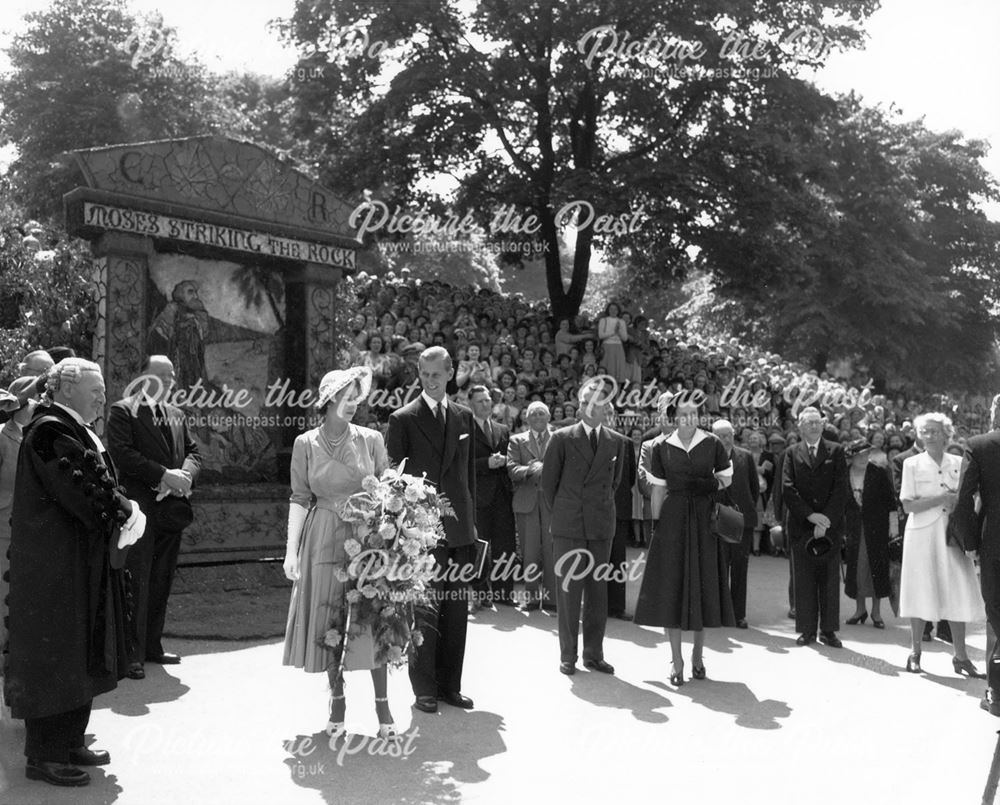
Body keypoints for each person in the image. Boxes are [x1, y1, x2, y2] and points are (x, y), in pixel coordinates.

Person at [5, 359, 144, 787]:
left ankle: (68, 740)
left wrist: (124, 509)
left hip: (78, 562)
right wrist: (126, 510)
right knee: (54, 654)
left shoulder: (74, 428)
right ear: (66, 390)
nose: (103, 396)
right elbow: (81, 489)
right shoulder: (48, 431)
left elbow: (97, 482)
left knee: (78, 649)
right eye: (95, 389)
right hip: (53, 567)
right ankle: (43, 755)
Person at [282, 366, 400, 743]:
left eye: (357, 399)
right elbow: (300, 498)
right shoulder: (305, 444)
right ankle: (337, 704)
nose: (353, 405)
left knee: (374, 616)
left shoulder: (371, 439)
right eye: (346, 398)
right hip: (322, 534)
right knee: (330, 620)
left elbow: (387, 490)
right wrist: (291, 551)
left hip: (366, 536)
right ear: (330, 397)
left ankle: (383, 707)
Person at [386, 346, 477, 714]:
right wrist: (399, 534)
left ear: (450, 372)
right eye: (424, 374)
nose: (430, 380)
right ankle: (423, 687)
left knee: (456, 612)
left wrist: (471, 527)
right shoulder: (403, 419)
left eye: (436, 374)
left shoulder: (464, 417)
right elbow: (393, 481)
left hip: (459, 532)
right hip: (420, 534)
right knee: (424, 611)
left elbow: (468, 477)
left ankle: (449, 686)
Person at [107, 356, 202, 679]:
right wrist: (163, 475)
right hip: (139, 510)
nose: (171, 380)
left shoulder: (176, 415)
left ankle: (152, 646)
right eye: (163, 374)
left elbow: (194, 452)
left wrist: (185, 475)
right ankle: (131, 654)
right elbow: (123, 454)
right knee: (137, 578)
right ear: (144, 376)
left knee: (161, 579)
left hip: (171, 512)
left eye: (173, 375)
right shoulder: (123, 411)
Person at [634, 400, 734, 685]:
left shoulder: (712, 443)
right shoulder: (661, 446)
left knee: (702, 586)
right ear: (673, 418)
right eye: (683, 415)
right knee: (672, 589)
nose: (689, 419)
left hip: (704, 518)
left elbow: (726, 479)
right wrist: (655, 527)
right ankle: (676, 661)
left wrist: (708, 485)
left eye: (693, 414)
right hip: (673, 520)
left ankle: (698, 657)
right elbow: (657, 491)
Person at [542, 382, 626, 676]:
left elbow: (614, 484)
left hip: (600, 526)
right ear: (579, 406)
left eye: (599, 403)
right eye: (587, 402)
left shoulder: (617, 442)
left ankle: (593, 654)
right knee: (568, 593)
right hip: (570, 525)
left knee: (597, 594)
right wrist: (568, 513)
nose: (593, 408)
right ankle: (568, 655)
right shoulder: (562, 438)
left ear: (607, 409)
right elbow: (548, 486)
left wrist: (594, 510)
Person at [898, 413, 984, 676]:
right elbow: (907, 504)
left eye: (935, 431)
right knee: (919, 588)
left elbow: (974, 496)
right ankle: (915, 652)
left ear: (947, 434)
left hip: (952, 535)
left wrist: (960, 506)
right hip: (922, 533)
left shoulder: (960, 462)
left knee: (956, 588)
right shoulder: (911, 464)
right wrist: (939, 498)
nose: (930, 435)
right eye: (925, 431)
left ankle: (961, 656)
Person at [781, 407, 849, 648]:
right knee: (804, 579)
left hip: (829, 526)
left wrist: (825, 520)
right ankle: (807, 630)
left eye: (817, 422)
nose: (813, 426)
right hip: (802, 524)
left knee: (829, 580)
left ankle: (828, 631)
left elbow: (841, 489)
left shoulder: (836, 451)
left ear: (823, 425)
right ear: (800, 426)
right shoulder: (791, 452)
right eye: (808, 423)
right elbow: (788, 488)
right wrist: (811, 516)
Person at [953, 393, 1000, 713]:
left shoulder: (980, 445)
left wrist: (970, 543)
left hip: (993, 542)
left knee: (996, 615)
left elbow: (962, 503)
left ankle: (996, 693)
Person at [891, 432, 951, 643]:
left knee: (945, 575)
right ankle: (923, 628)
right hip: (918, 524)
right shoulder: (903, 460)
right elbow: (902, 494)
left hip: (945, 526)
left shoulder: (950, 458)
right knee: (923, 578)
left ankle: (945, 626)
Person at [0, 377, 41, 662]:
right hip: (5, 526)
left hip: (34, 527)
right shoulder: (2, 436)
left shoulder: (42, 435)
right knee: (4, 591)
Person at [468, 385, 517, 609]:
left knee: (505, 545)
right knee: (481, 546)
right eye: (480, 401)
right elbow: (461, 463)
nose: (485, 404)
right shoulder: (464, 429)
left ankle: (504, 593)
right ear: (470, 404)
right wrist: (485, 463)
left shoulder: (502, 429)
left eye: (488, 400)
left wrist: (504, 461)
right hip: (478, 496)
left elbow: (511, 458)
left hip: (502, 495)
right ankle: (481, 592)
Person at [507, 401, 556, 612]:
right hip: (526, 502)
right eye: (533, 414)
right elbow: (511, 468)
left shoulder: (559, 438)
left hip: (552, 503)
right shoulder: (516, 440)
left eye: (541, 414)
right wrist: (530, 469)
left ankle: (553, 599)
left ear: (549, 417)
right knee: (530, 552)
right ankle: (532, 597)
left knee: (552, 551)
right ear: (526, 419)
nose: (537, 417)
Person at [711, 419, 759, 629]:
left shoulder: (745, 456)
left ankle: (738, 614)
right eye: (721, 435)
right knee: (719, 567)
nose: (726, 439)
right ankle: (719, 611)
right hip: (718, 518)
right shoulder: (708, 457)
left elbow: (754, 488)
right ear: (713, 437)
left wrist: (744, 509)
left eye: (729, 434)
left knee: (740, 568)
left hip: (741, 520)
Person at [843, 438, 895, 629]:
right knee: (856, 570)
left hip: (877, 528)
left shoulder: (878, 472)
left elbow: (891, 501)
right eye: (859, 455)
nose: (863, 457)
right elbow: (841, 503)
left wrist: (893, 527)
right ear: (852, 457)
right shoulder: (844, 473)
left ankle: (876, 612)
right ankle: (860, 610)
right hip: (854, 529)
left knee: (876, 569)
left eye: (866, 454)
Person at [608, 413, 637, 620]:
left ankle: (617, 607)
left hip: (618, 508)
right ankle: (595, 605)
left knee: (617, 559)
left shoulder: (626, 443)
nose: (606, 417)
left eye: (610, 413)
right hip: (593, 509)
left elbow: (631, 477)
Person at [596, 303, 629, 383]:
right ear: (608, 310)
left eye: (615, 309)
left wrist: (619, 331)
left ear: (618, 311)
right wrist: (613, 332)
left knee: (618, 370)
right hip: (607, 346)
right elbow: (601, 335)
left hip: (618, 347)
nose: (613, 311)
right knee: (607, 368)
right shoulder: (603, 320)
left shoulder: (621, 322)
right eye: (611, 309)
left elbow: (625, 338)